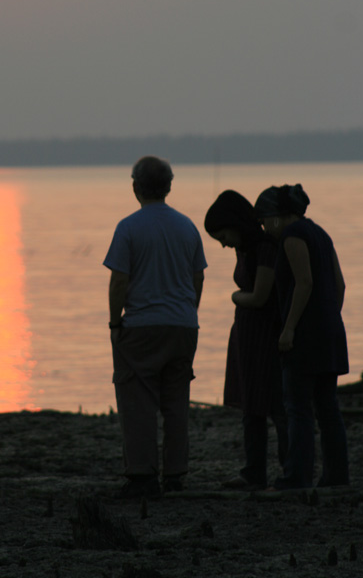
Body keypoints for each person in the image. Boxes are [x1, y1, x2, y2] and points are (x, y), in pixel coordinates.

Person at [103, 155, 207, 497]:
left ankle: (143, 476)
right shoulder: (187, 226)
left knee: (138, 401)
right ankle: (176, 474)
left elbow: (119, 281)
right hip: (183, 326)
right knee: (177, 403)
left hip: (142, 327)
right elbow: (197, 277)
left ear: (135, 187)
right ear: (169, 187)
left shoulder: (128, 227)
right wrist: (188, 312)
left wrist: (116, 323)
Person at [254, 184, 349, 490]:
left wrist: (289, 327)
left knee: (298, 409)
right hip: (330, 334)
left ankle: (297, 475)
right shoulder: (321, 234)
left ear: (280, 217)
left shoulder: (292, 237)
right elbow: (340, 285)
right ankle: (336, 477)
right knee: (328, 409)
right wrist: (330, 318)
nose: (264, 226)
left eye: (265, 219)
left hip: (304, 339)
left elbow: (303, 282)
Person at [204, 190, 287, 491]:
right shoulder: (245, 251)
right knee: (251, 407)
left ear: (235, 224)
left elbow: (260, 296)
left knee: (276, 405)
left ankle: (289, 470)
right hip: (247, 334)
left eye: (223, 236)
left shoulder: (264, 249)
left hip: (265, 334)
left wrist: (235, 296)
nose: (224, 243)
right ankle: (254, 472)